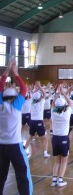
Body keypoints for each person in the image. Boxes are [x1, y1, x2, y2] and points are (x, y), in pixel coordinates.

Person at [0, 60, 33, 195]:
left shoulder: (1, 105)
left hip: (1, 146)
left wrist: (7, 71)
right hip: (15, 146)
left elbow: (1, 85)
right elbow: (24, 89)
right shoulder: (16, 106)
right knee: (23, 175)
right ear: (14, 97)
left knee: (1, 176)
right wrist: (16, 73)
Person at [50, 84, 72, 187]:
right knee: (64, 160)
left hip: (54, 138)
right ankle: (60, 180)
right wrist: (63, 93)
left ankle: (54, 179)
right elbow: (70, 102)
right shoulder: (66, 113)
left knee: (57, 160)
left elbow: (53, 104)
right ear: (64, 106)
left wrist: (57, 94)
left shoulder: (53, 113)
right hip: (63, 138)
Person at [24, 81, 51, 158]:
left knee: (31, 137)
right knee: (45, 138)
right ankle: (45, 153)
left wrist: (36, 88)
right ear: (40, 97)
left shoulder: (31, 102)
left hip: (32, 121)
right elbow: (45, 94)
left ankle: (24, 150)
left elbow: (33, 94)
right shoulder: (41, 102)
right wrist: (39, 86)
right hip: (39, 122)